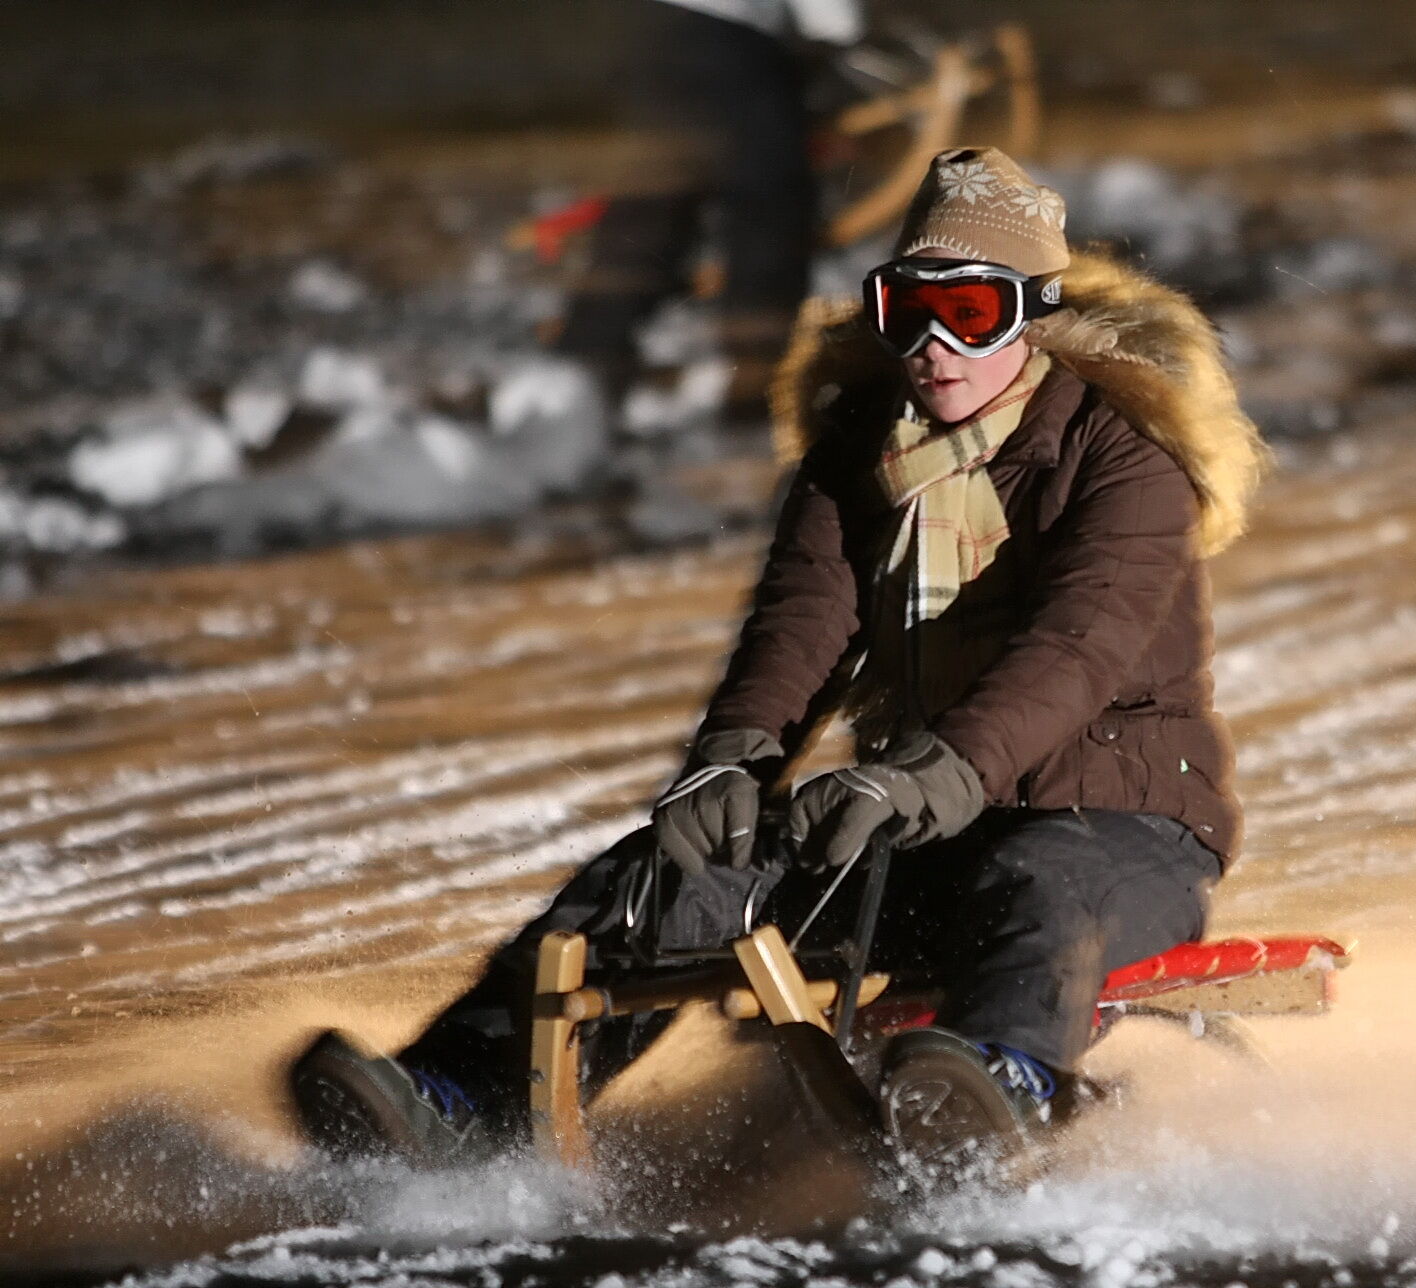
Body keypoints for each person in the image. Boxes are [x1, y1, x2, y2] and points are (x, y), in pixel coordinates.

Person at [290, 148, 1267, 1174]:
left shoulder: (1121, 457)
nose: (935, 345)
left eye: (971, 313)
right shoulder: (861, 453)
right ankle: (463, 1092)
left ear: (1032, 314)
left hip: (1120, 824)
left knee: (1043, 885)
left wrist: (939, 772)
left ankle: (1001, 1080)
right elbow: (802, 624)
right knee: (667, 874)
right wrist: (733, 760)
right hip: (924, 826)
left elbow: (1076, 645)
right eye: (907, 312)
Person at [552, 0, 863, 416]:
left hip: (650, 35)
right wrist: (842, 42)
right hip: (737, 44)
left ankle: (577, 380)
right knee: (767, 216)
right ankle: (756, 390)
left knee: (649, 212)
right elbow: (834, 21)